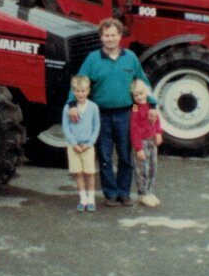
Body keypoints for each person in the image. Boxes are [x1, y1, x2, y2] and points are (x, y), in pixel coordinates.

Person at [69, 18, 156, 207]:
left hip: (127, 113)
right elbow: (80, 81)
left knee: (125, 155)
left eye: (113, 35)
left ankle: (124, 193)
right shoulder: (92, 59)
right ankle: (110, 194)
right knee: (105, 156)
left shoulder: (130, 58)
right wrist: (72, 104)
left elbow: (143, 82)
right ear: (101, 37)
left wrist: (153, 105)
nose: (110, 39)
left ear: (120, 36)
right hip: (101, 115)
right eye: (106, 35)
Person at [62, 75, 100, 212]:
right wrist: (73, 144)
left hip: (88, 146)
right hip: (74, 146)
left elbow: (96, 126)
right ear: (73, 91)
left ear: (88, 91)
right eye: (77, 91)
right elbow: (66, 127)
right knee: (78, 173)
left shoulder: (93, 107)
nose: (80, 94)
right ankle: (83, 199)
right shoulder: (68, 108)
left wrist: (90, 143)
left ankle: (91, 199)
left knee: (90, 173)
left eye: (83, 90)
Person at [130, 79, 163, 207]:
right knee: (142, 169)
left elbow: (157, 120)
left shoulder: (151, 105)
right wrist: (138, 148)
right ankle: (143, 194)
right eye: (136, 95)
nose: (139, 97)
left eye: (141, 94)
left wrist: (158, 132)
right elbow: (134, 128)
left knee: (152, 168)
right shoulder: (135, 108)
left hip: (152, 141)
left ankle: (150, 191)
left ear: (146, 93)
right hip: (142, 143)